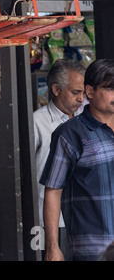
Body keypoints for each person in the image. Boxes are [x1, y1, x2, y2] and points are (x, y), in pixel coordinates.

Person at [40, 59, 114, 261]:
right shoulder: (70, 134)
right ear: (89, 92)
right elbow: (53, 191)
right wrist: (52, 247)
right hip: (93, 249)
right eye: (110, 89)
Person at [33, 59, 85, 260]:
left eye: (83, 92)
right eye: (75, 92)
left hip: (82, 219)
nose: (81, 99)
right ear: (56, 89)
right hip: (50, 223)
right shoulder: (37, 123)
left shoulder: (84, 123)